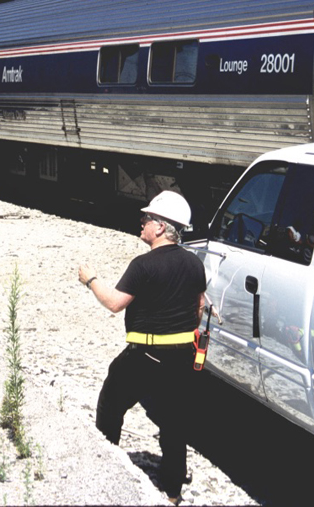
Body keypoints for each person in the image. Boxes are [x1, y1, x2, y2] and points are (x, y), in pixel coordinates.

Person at [78, 191, 206, 505]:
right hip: (182, 355)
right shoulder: (194, 263)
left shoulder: (143, 265)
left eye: (147, 218)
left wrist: (90, 278)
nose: (142, 221)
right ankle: (173, 492)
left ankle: (107, 469)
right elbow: (199, 308)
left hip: (145, 354)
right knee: (174, 422)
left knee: (111, 403)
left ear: (161, 228)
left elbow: (114, 303)